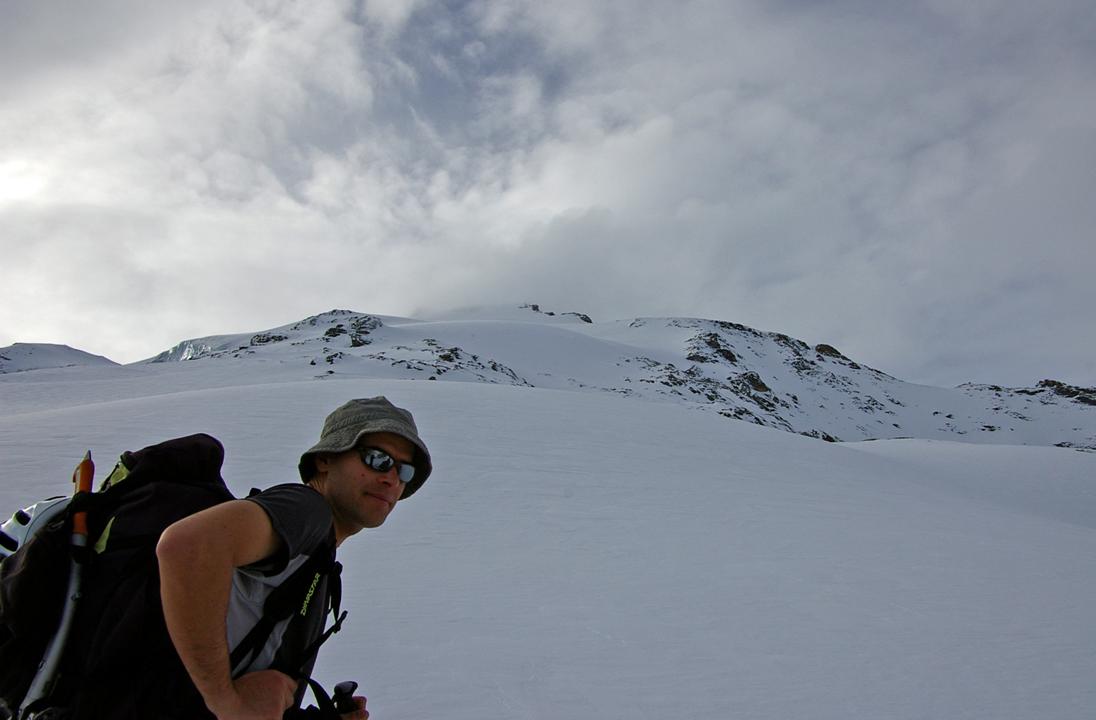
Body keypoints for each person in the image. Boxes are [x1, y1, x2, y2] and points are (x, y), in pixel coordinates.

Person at [156, 397, 433, 720]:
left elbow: (254, 679)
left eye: (405, 470)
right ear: (326, 460)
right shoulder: (306, 510)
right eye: (377, 459)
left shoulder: (316, 555)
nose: (392, 479)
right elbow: (187, 545)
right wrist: (224, 701)